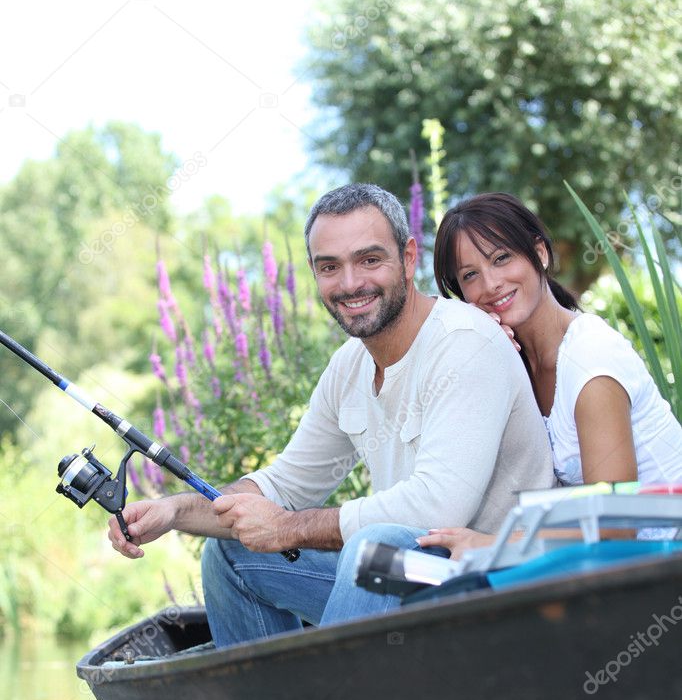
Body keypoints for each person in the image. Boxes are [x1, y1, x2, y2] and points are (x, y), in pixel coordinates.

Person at [108, 183, 553, 644]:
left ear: (407, 257)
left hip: (500, 590)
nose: (350, 283)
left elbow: (436, 509)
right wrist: (173, 510)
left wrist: (287, 528)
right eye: (330, 267)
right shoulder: (349, 367)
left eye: (369, 260)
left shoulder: (466, 343)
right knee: (230, 555)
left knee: (375, 550)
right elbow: (284, 485)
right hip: (415, 582)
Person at [416, 191, 682, 558]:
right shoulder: (515, 361)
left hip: (663, 555)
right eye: (470, 275)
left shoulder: (591, 360)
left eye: (502, 258)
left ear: (539, 253)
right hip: (609, 561)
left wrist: (491, 545)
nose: (491, 283)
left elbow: (619, 523)